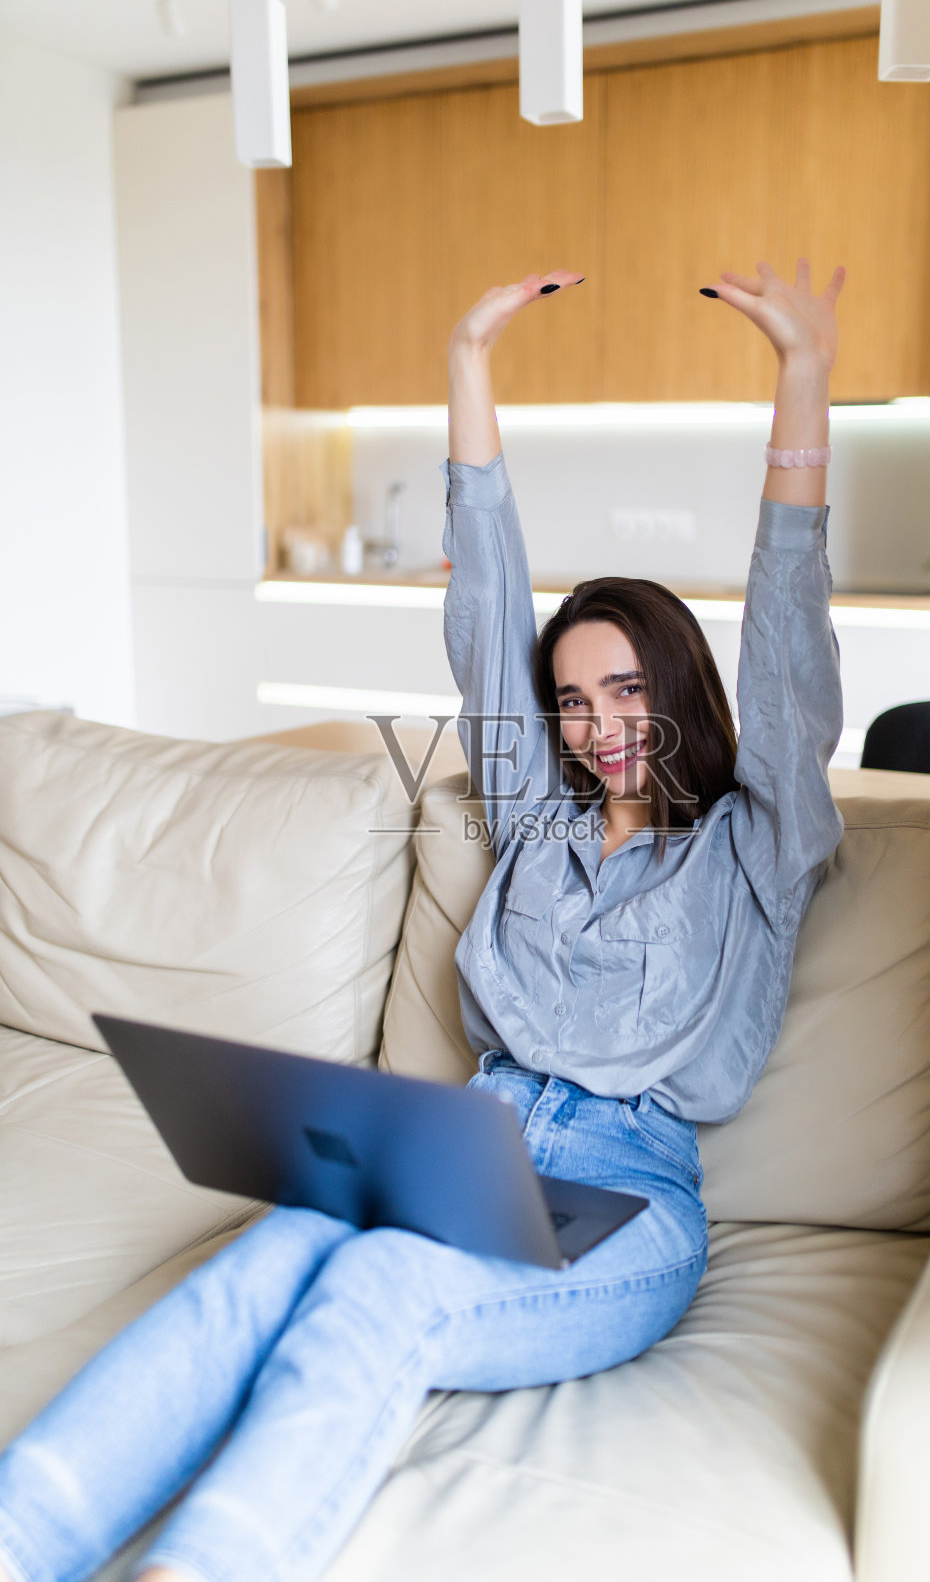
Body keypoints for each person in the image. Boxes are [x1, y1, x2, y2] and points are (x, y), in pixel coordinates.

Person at [0, 257, 845, 1582]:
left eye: (626, 690)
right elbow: (486, 611)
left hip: (623, 1197)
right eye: (572, 703)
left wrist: (804, 378)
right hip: (462, 1147)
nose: (599, 726)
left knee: (376, 1293)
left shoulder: (757, 836)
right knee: (267, 1256)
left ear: (676, 684)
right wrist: (465, 362)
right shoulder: (538, 821)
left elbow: (794, 639)